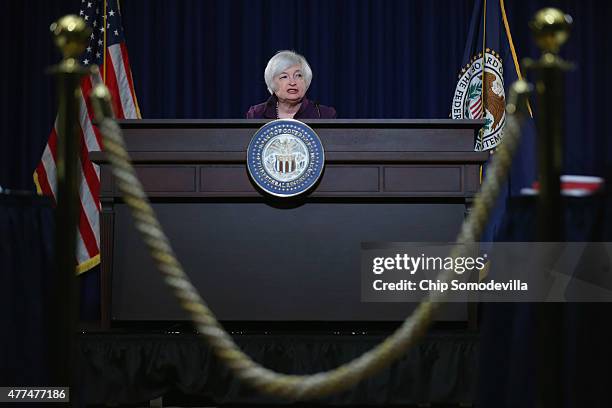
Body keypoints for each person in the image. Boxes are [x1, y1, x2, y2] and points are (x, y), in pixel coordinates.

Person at [246, 50, 337, 119]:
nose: (292, 82)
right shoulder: (257, 114)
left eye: (298, 75)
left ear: (306, 80)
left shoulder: (325, 114)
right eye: (284, 77)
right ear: (272, 82)